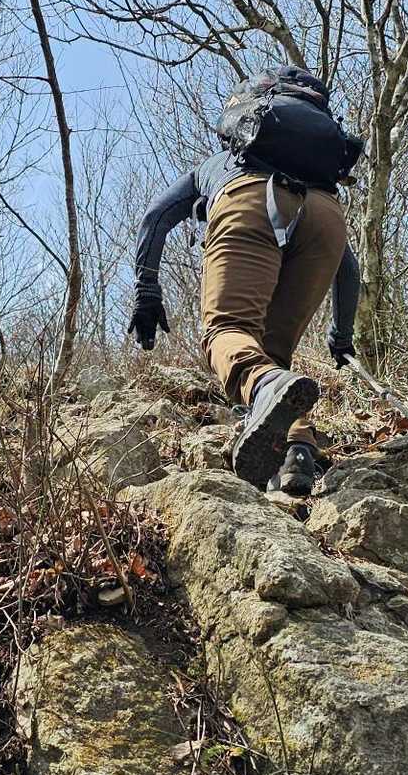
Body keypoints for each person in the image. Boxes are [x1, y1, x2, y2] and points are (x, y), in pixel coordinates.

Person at [129, 65, 361, 496]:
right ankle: (296, 454)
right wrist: (342, 337)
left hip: (251, 198)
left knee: (227, 331)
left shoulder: (222, 163)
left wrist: (147, 287)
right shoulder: (320, 177)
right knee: (271, 355)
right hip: (328, 218)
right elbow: (347, 267)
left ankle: (267, 391)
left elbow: (156, 217)